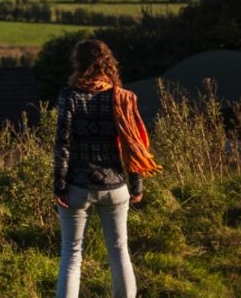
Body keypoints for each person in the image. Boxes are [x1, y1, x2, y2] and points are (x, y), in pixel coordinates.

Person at [53, 39, 162, 298]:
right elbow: (133, 146)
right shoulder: (122, 98)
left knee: (71, 254)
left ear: (79, 64)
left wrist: (59, 185)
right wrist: (136, 185)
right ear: (108, 63)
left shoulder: (69, 96)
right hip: (115, 186)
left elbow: (62, 143)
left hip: (77, 186)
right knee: (119, 251)